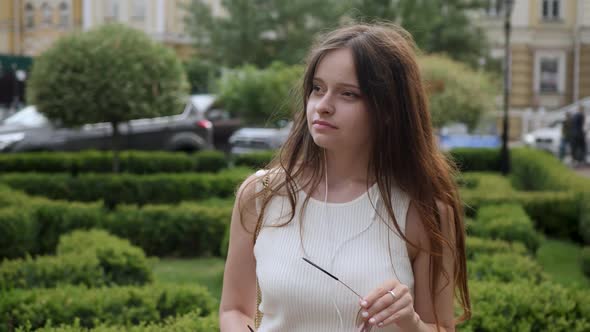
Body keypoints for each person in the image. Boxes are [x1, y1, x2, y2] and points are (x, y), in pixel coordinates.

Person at [219, 23, 470, 332]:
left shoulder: (423, 211)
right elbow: (234, 309)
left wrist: (411, 322)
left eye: (348, 94)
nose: (322, 106)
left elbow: (441, 327)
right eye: (317, 88)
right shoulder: (262, 193)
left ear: (388, 109)